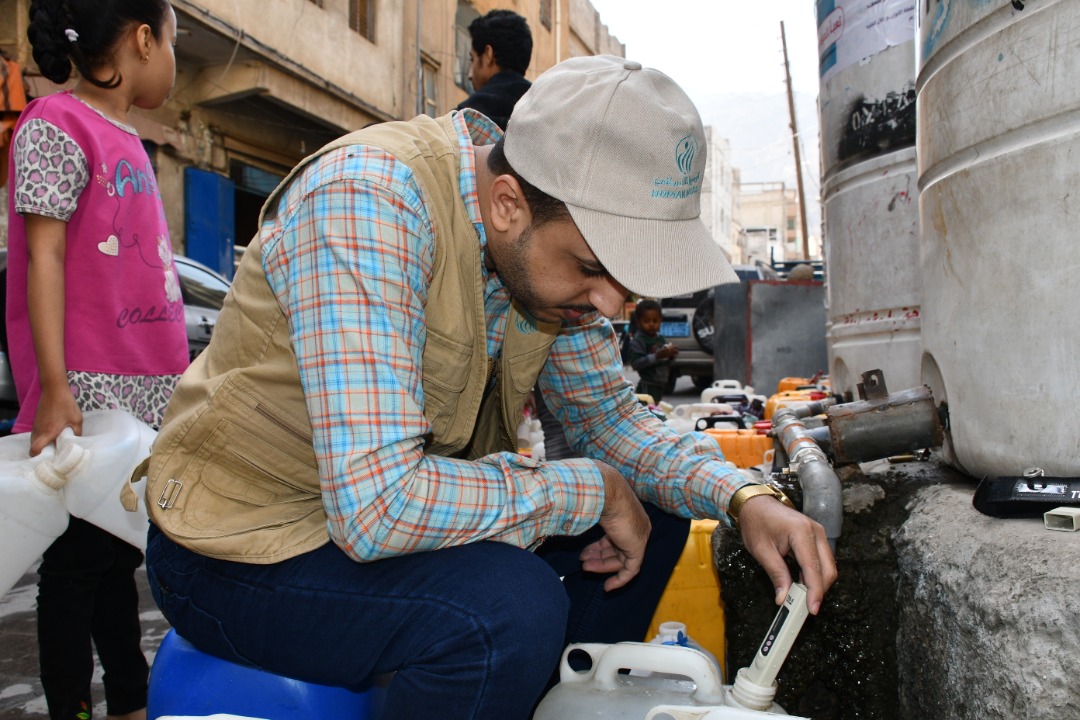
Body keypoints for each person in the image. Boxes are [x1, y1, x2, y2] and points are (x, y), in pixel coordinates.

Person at [144, 55, 836, 719]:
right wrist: (584, 489)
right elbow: (378, 506)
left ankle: (540, 702)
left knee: (653, 514)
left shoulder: (547, 252)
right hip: (240, 549)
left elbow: (610, 425)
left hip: (369, 524)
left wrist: (744, 498)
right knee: (506, 607)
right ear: (508, 204)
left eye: (627, 281)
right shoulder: (368, 202)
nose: (610, 305)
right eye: (593, 269)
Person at [6, 2, 186, 718]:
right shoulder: (54, 123)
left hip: (141, 392)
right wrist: (55, 387)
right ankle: (74, 706)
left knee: (115, 555)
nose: (174, 55)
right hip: (86, 387)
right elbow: (43, 255)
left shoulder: (126, 135)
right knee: (77, 567)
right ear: (143, 40)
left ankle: (130, 700)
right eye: (175, 40)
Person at [455, 9, 533, 130]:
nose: (469, 75)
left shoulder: (461, 118)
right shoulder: (544, 110)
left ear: (488, 54)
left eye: (472, 59)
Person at [629, 298, 679, 403]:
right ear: (638, 322)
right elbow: (636, 363)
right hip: (647, 385)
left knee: (656, 409)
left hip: (661, 384)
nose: (651, 324)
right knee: (647, 410)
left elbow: (667, 362)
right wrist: (656, 356)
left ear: (660, 321)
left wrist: (671, 355)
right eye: (646, 321)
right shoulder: (639, 340)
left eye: (655, 321)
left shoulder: (660, 338)